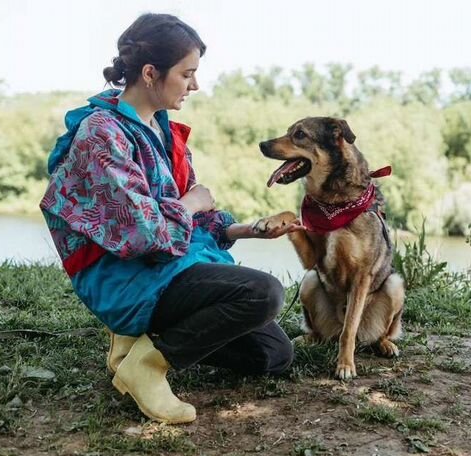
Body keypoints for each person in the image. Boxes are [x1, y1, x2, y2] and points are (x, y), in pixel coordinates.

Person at [39, 13, 303, 424]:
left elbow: (186, 226)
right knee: (262, 293)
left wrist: (246, 229)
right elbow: (144, 235)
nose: (195, 85)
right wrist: (193, 203)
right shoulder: (101, 135)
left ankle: (139, 341)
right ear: (150, 73)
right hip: (124, 274)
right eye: (187, 74)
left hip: (170, 264)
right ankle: (147, 366)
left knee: (272, 354)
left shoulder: (163, 130)